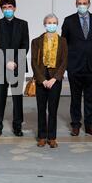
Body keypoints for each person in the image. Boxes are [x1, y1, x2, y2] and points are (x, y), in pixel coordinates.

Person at [61, 0, 92, 137]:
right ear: (75, 4)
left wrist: (90, 52)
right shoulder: (69, 21)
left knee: (90, 97)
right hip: (75, 65)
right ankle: (75, 125)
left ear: (89, 4)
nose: (82, 5)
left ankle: (90, 125)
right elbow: (64, 42)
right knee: (75, 97)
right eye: (79, 3)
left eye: (85, 3)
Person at [0, 0, 29, 137]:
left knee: (17, 96)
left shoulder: (23, 24)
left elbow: (25, 45)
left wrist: (14, 61)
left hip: (17, 65)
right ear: (1, 9)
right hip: (1, 65)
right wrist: (5, 62)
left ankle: (17, 126)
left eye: (10, 7)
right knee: (0, 97)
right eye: (4, 7)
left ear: (14, 8)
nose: (7, 9)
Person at [31, 14, 68, 148]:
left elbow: (64, 62)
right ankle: (42, 136)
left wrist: (54, 78)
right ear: (44, 24)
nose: (51, 25)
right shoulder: (36, 41)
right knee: (41, 109)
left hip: (55, 80)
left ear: (57, 24)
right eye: (49, 22)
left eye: (54, 23)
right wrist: (42, 79)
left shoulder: (63, 41)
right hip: (42, 79)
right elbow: (34, 62)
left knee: (53, 109)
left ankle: (52, 137)